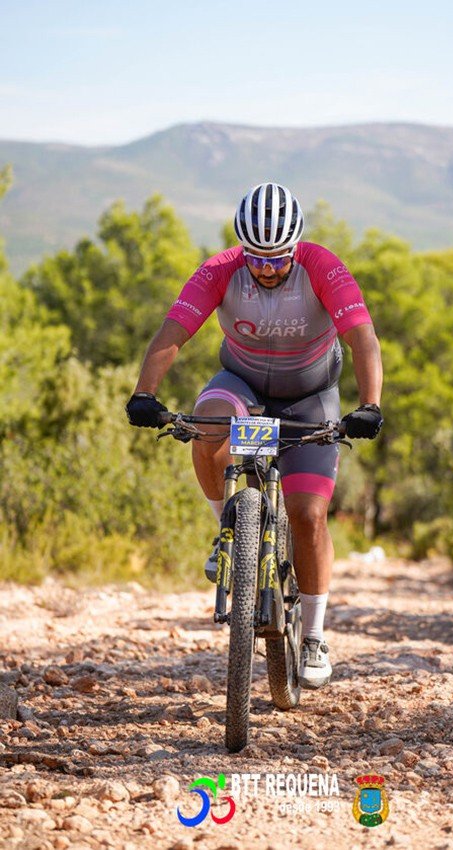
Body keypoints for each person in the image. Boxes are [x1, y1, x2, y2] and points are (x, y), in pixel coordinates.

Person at [126, 182, 383, 690]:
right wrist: (144, 393)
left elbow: (362, 337)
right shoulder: (221, 269)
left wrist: (370, 405)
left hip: (310, 396)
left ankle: (314, 636)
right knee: (207, 425)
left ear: (295, 247)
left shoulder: (321, 266)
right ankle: (227, 530)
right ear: (242, 249)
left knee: (308, 516)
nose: (266, 268)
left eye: (278, 258)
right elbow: (173, 331)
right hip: (241, 385)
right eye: (256, 258)